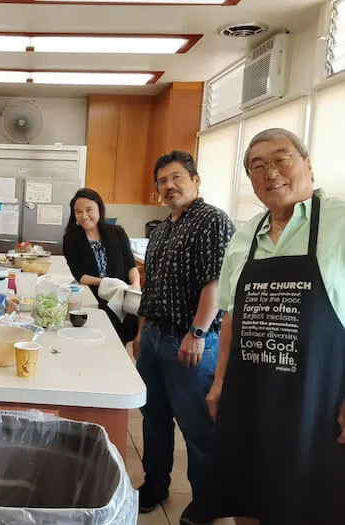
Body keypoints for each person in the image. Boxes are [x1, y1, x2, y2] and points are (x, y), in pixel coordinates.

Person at [205, 129, 345, 525]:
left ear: (308, 164)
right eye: (257, 166)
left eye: (281, 159)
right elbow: (232, 314)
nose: (271, 173)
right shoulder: (245, 235)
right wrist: (219, 382)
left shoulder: (341, 222)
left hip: (318, 401)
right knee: (247, 498)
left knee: (310, 503)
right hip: (249, 394)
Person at [133, 151, 235, 524]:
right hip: (156, 337)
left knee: (196, 427)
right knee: (153, 417)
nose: (169, 186)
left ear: (195, 179)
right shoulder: (163, 228)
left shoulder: (212, 221)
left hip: (190, 341)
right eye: (162, 181)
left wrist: (197, 331)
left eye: (176, 177)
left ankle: (208, 500)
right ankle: (155, 483)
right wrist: (142, 331)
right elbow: (151, 286)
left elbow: (216, 280)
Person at [62, 188, 140, 343]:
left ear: (99, 208)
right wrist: (107, 283)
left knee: (119, 342)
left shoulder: (117, 232)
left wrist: (135, 285)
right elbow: (80, 276)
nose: (84, 216)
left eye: (89, 209)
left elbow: (131, 265)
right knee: (94, 340)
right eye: (78, 212)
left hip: (122, 297)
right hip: (94, 298)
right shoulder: (71, 238)